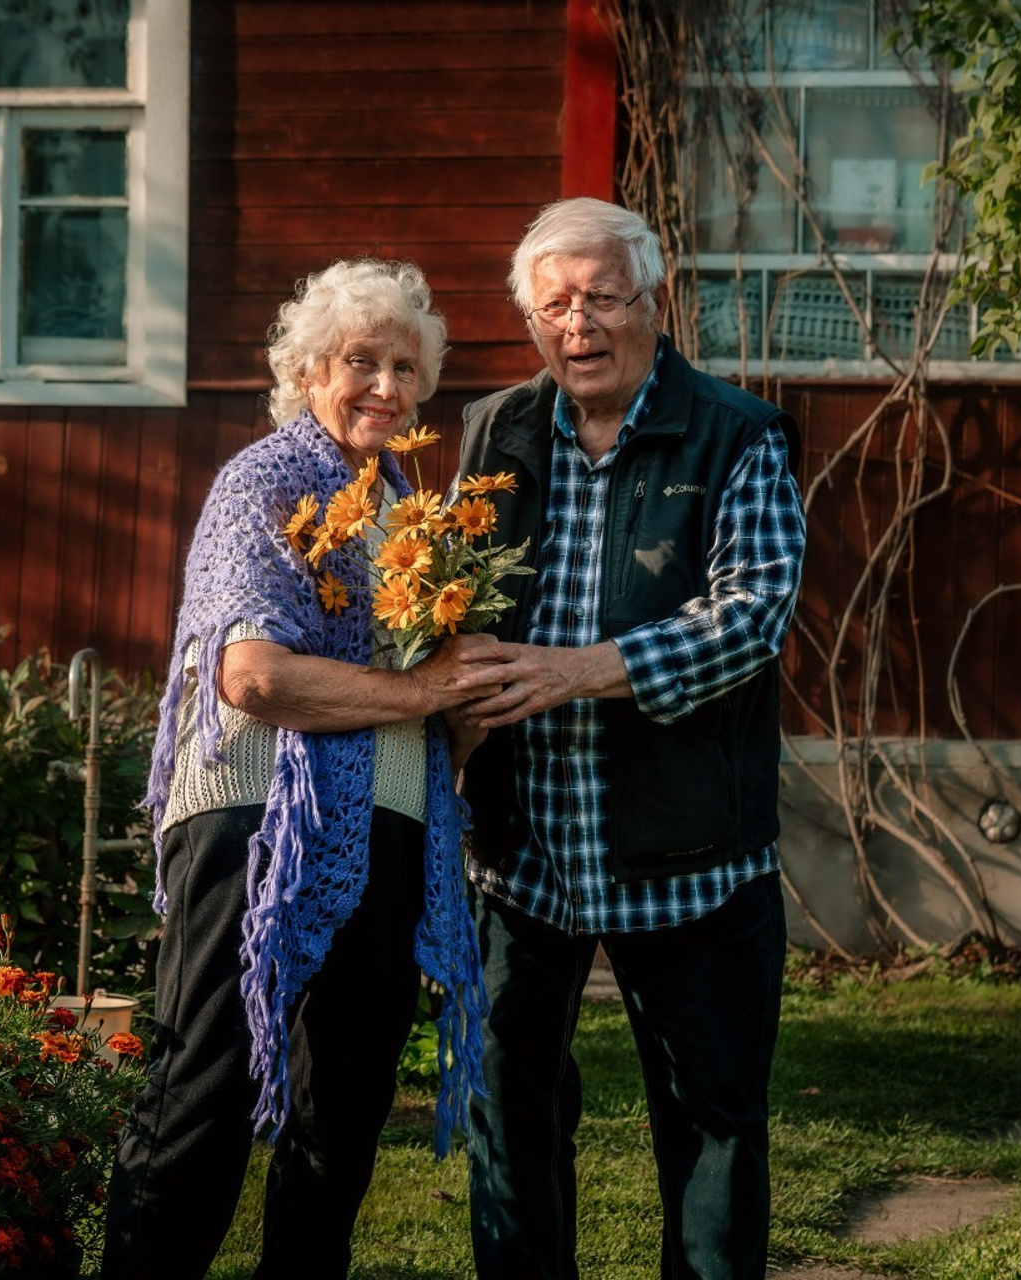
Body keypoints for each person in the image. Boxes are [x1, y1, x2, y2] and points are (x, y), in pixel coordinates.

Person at [101, 259, 500, 1280]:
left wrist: (470, 696)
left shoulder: (415, 512)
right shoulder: (265, 482)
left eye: (403, 366)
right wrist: (424, 694)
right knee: (209, 1082)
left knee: (347, 1104)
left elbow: (441, 682)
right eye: (358, 360)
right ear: (308, 370)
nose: (383, 385)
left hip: (391, 814)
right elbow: (252, 675)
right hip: (253, 817)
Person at [449, 197, 806, 1280]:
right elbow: (453, 597)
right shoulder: (494, 429)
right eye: (552, 304)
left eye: (601, 297)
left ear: (651, 301)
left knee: (708, 1126)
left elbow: (749, 614)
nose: (578, 324)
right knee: (506, 1112)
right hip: (522, 856)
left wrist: (579, 671)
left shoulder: (734, 432)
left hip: (689, 859)